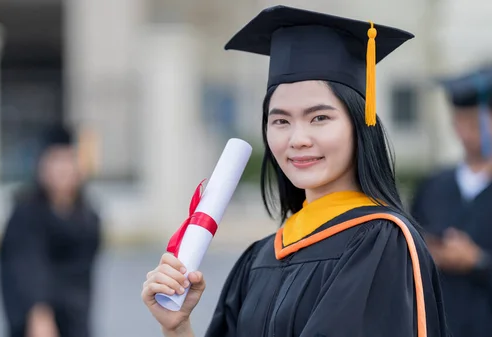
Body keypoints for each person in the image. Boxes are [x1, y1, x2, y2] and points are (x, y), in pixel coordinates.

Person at [141, 5, 450, 337]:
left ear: (360, 125)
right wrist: (177, 327)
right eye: (280, 121)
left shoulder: (379, 242)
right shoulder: (259, 258)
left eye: (320, 117)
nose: (297, 139)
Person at [0, 124, 103, 337]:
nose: (63, 169)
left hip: (76, 320)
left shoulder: (88, 216)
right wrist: (39, 314)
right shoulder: (26, 212)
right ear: (41, 165)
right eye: (55, 160)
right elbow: (26, 267)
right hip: (39, 324)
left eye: (69, 160)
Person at [410, 66, 492, 337]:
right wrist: (426, 252)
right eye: (459, 122)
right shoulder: (433, 186)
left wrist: (478, 261)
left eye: (474, 122)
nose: (466, 133)